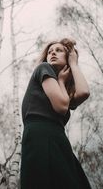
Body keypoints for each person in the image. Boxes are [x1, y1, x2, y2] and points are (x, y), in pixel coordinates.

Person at [20, 38, 92, 189]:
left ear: (68, 56)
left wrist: (74, 64)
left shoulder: (64, 88)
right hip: (40, 135)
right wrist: (60, 81)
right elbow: (61, 106)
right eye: (50, 51)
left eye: (58, 50)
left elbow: (84, 92)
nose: (52, 53)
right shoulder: (43, 68)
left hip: (58, 137)